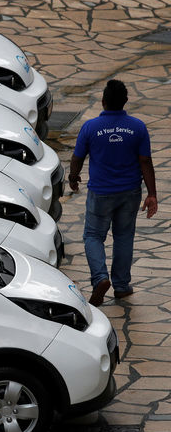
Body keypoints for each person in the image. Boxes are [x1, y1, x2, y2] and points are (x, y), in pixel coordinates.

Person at [68, 79, 157, 307]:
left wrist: (73, 176)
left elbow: (78, 156)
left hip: (100, 194)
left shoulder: (90, 127)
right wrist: (152, 194)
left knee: (93, 236)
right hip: (130, 192)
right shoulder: (137, 127)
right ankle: (121, 286)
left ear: (103, 102)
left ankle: (100, 278)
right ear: (125, 102)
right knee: (124, 236)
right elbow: (145, 161)